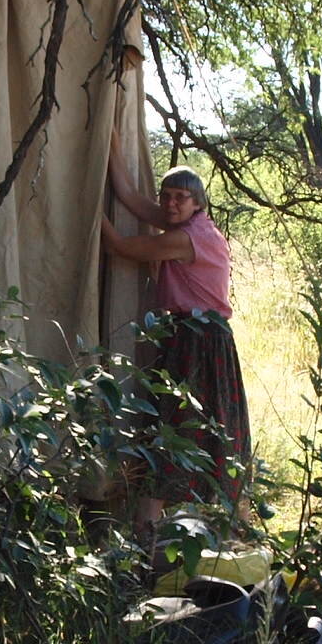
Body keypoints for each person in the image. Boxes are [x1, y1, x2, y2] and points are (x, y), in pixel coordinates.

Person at [101, 143, 251, 532]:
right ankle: (237, 528)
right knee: (210, 431)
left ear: (196, 202)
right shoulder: (190, 226)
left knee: (174, 429)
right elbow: (132, 198)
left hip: (197, 340)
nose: (170, 204)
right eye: (166, 197)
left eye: (180, 198)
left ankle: (150, 531)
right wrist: (112, 136)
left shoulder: (185, 238)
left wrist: (85, 207)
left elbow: (120, 246)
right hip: (200, 336)